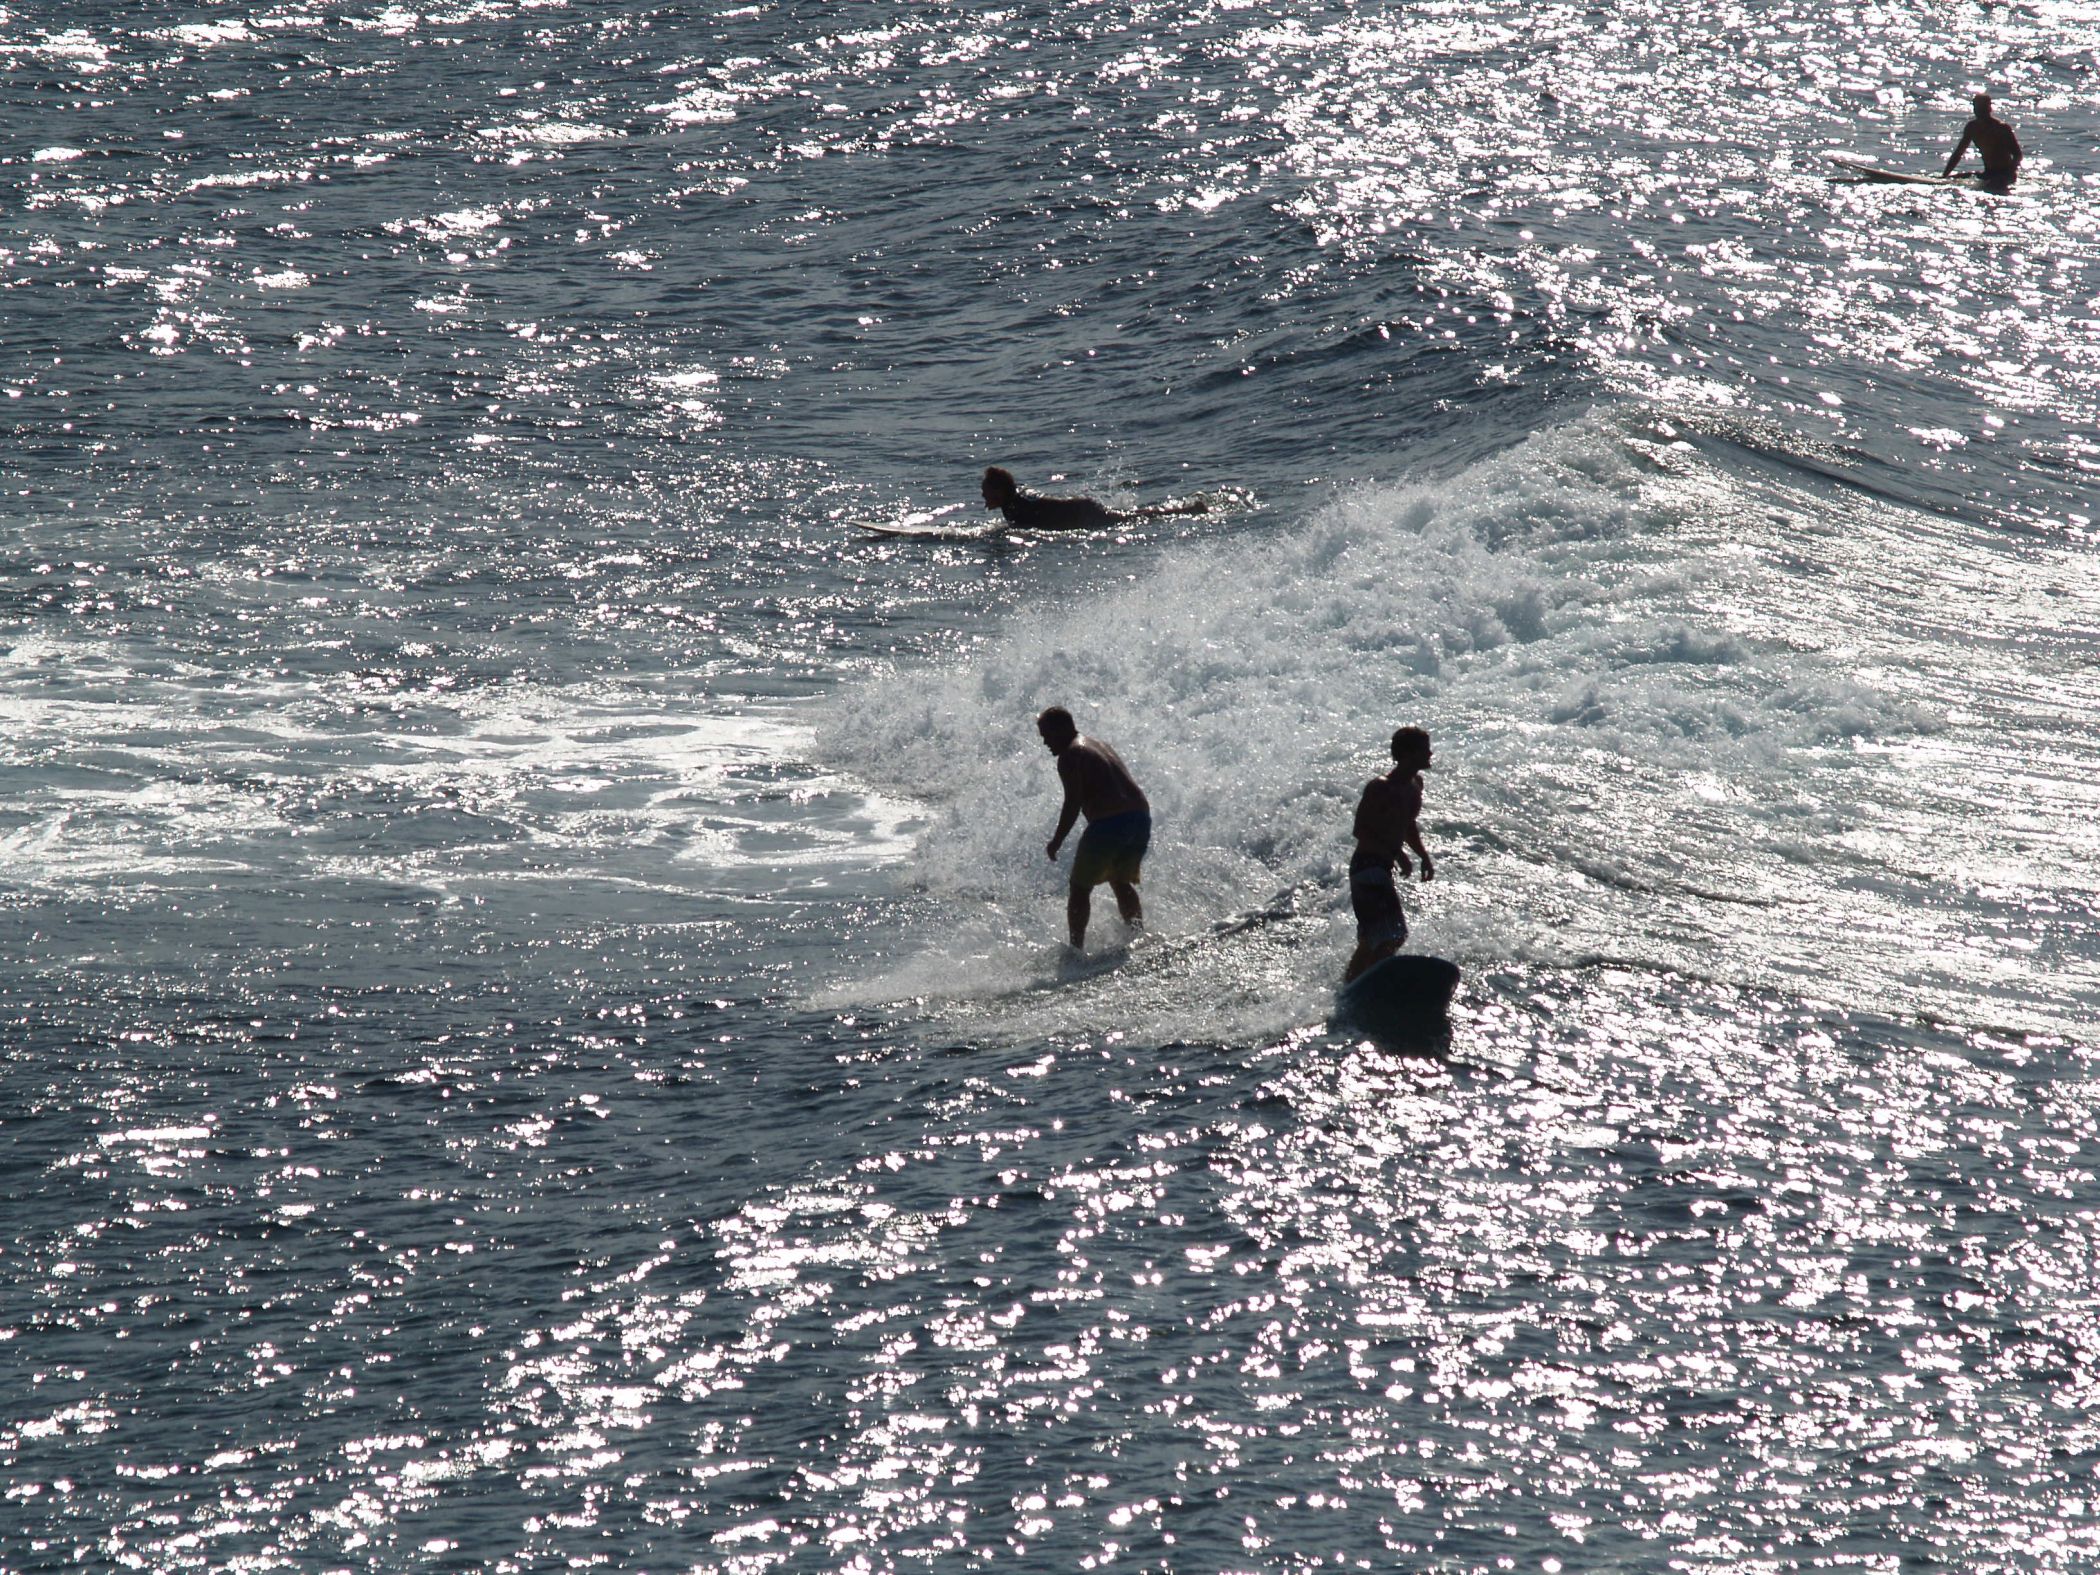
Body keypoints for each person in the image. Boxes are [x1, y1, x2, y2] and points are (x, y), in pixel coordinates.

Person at [1036, 705, 1150, 950]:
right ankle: (1138, 936)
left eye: (1047, 735)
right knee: (1120, 881)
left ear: (1062, 729)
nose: (1045, 743)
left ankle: (1075, 951)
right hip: (1139, 818)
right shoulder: (1098, 744)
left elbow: (1072, 802)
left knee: (1079, 889)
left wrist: (1057, 840)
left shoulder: (1070, 755)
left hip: (1109, 823)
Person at [1344, 726, 1435, 984]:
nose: (1430, 753)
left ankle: (1355, 986)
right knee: (1392, 935)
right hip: (1366, 867)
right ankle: (1361, 986)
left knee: (1375, 937)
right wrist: (1396, 853)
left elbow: (1408, 825)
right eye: (1424, 749)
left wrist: (1423, 856)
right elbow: (1360, 829)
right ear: (1407, 754)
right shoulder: (1380, 787)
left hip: (1381, 868)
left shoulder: (1415, 785)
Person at [982, 466, 1207, 530]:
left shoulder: (1017, 505)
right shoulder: (1014, 501)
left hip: (1083, 514)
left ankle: (1189, 510)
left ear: (999, 491)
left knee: (1134, 519)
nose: (983, 495)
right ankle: (1187, 509)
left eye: (986, 491)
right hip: (1082, 511)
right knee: (1131, 516)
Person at [1943, 92, 2021, 189]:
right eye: (1977, 108)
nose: (1979, 111)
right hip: (1988, 172)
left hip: (2005, 173)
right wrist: (1944, 176)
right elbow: (1958, 153)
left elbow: (2017, 155)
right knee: (1952, 180)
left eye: (1982, 108)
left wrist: (2009, 173)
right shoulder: (1972, 127)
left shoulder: (2001, 128)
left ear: (1989, 108)